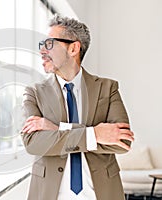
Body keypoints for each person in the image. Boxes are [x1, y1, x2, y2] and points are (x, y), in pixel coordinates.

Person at [21, 14, 134, 200]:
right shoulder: (34, 92)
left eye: (49, 44)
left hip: (101, 194)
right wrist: (94, 134)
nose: (42, 51)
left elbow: (122, 143)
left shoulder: (107, 88)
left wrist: (59, 129)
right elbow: (33, 143)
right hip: (50, 194)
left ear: (73, 48)